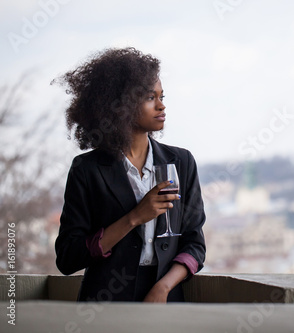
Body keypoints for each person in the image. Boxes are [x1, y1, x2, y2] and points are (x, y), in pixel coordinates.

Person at [54, 47, 206, 303]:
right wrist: (135, 216)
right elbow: (68, 258)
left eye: (161, 96)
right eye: (150, 97)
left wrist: (163, 288)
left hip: (166, 302)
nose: (162, 105)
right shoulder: (87, 169)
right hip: (104, 306)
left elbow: (195, 245)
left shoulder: (181, 162)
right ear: (121, 106)